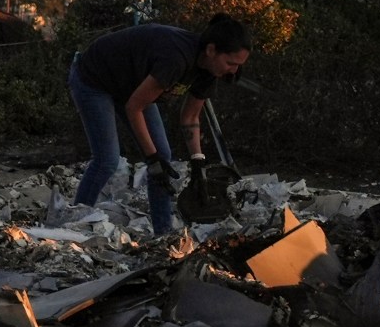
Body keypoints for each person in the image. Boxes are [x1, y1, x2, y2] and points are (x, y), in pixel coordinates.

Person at [67, 14, 252, 235]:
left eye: (238, 66)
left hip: (133, 86)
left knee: (163, 158)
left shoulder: (210, 70)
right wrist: (151, 158)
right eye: (231, 63)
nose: (233, 71)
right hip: (94, 78)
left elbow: (190, 117)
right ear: (211, 50)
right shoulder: (176, 58)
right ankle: (74, 226)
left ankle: (162, 234)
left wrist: (197, 163)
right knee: (108, 159)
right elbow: (133, 107)